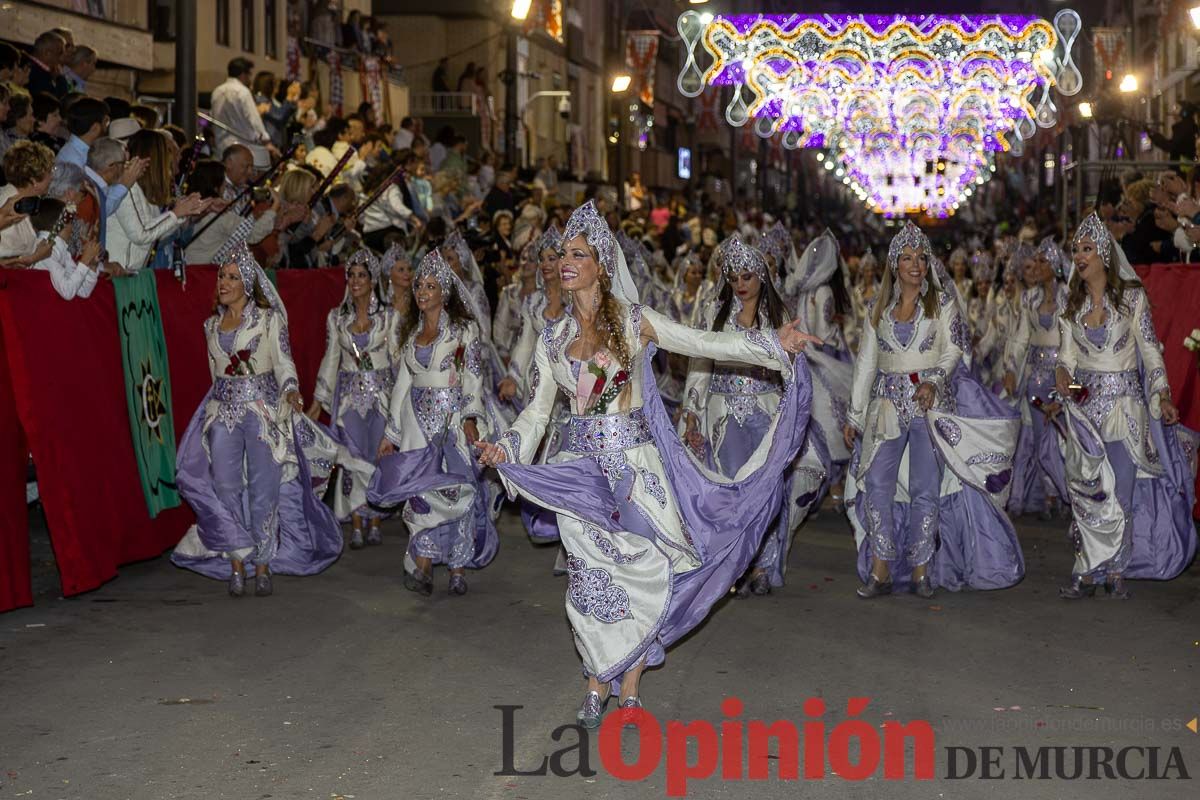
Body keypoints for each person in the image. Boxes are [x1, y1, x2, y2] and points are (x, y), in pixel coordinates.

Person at [475, 200, 819, 726]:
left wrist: (776, 343)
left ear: (602, 266)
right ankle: (596, 678)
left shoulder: (636, 324)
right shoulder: (553, 340)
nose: (565, 261)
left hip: (637, 471)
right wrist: (508, 448)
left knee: (646, 570)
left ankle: (629, 686)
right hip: (580, 474)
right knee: (589, 576)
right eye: (563, 253)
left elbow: (707, 342)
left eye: (578, 254)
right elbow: (539, 413)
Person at [172, 245, 369, 595]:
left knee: (264, 491)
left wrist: (291, 390)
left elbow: (284, 363)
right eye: (222, 276)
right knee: (227, 488)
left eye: (233, 277)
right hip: (223, 417)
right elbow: (214, 376)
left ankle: (262, 563)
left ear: (248, 283)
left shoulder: (267, 319)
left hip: (263, 415)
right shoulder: (210, 326)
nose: (224, 283)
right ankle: (236, 563)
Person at [843, 222, 1025, 599]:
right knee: (878, 485)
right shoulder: (879, 309)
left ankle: (922, 570)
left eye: (921, 258)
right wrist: (854, 415)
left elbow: (954, 349)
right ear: (895, 264)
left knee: (925, 488)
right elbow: (865, 363)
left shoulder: (942, 304)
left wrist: (934, 381)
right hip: (887, 407)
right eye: (907, 258)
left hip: (929, 405)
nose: (915, 264)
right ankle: (881, 569)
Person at [1053, 213, 1198, 599]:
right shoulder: (1070, 305)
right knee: (1087, 490)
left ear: (1104, 253)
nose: (1079, 257)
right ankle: (1088, 567)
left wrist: (1162, 395)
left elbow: (1150, 353)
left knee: (1120, 492)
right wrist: (1062, 376)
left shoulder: (1132, 298)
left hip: (1125, 410)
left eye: (1086, 249)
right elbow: (1065, 359)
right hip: (1085, 411)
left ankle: (1115, 570)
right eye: (1075, 250)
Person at [681, 236, 817, 596]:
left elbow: (793, 371)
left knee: (766, 491)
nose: (740, 285)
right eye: (734, 278)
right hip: (724, 417)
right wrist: (692, 411)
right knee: (730, 492)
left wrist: (791, 416)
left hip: (766, 415)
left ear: (762, 277)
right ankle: (734, 566)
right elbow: (700, 362)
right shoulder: (716, 314)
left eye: (747, 277)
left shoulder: (779, 317)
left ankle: (762, 563)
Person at [370, 249, 499, 596]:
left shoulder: (463, 330)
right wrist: (390, 434)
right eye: (418, 287)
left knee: (456, 490)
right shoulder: (411, 334)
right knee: (419, 492)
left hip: (452, 421)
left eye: (430, 286)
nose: (422, 293)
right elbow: (402, 384)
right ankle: (424, 561)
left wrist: (471, 416)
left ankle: (457, 565)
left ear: (445, 292)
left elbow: (473, 374)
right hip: (415, 423)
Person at [309, 249, 400, 548]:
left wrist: (404, 402)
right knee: (351, 459)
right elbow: (330, 359)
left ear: (373, 280)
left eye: (362, 275)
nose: (356, 280)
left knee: (377, 457)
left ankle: (374, 518)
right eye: (351, 275)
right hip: (349, 399)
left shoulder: (389, 317)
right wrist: (317, 402)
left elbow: (397, 360)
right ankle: (357, 522)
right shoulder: (337, 318)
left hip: (381, 399)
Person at [1003, 237, 1069, 519]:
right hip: (1036, 378)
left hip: (1065, 378)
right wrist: (1011, 368)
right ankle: (1058, 496)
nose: (1038, 267)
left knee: (1066, 439)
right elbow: (1020, 338)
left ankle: (1071, 495)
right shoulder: (1030, 298)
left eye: (1044, 261)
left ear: (1055, 265)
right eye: (1037, 261)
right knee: (1042, 441)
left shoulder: (1069, 296)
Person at [106, 129, 206, 271]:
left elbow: (156, 236)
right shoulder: (128, 187)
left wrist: (184, 212)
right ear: (157, 158)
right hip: (121, 275)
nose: (173, 159)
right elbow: (141, 235)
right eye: (168, 153)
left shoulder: (144, 191)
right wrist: (176, 213)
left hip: (134, 273)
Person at [210, 57, 278, 171]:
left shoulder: (217, 91)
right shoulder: (242, 92)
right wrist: (266, 140)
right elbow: (253, 119)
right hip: (241, 148)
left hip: (221, 146)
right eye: (249, 75)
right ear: (243, 74)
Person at [26, 197, 102, 299]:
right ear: (62, 225)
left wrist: (92, 265)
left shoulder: (62, 250)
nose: (72, 228)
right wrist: (84, 261)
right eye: (70, 223)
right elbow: (67, 292)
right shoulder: (44, 250)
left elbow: (83, 291)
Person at [0, 141, 56, 260]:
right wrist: (36, 256)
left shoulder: (27, 201)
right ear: (34, 180)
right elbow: (6, 255)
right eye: (50, 172)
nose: (52, 177)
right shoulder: (7, 203)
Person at [55, 96, 108, 168]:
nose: (107, 127)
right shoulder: (73, 160)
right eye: (106, 122)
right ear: (95, 128)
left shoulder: (78, 152)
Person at [26, 32, 69, 99]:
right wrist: (58, 79)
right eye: (60, 53)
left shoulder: (46, 72)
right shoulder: (33, 72)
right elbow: (55, 102)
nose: (62, 59)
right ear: (47, 53)